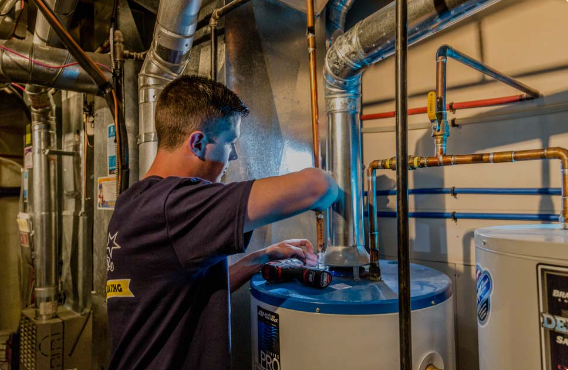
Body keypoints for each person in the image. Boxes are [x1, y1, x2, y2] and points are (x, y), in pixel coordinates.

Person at [106, 75, 338, 370]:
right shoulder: (177, 205)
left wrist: (261, 258)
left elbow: (181, 294)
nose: (233, 155)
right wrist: (336, 184)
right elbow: (317, 186)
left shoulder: (134, 201)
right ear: (198, 142)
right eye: (230, 142)